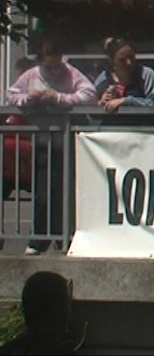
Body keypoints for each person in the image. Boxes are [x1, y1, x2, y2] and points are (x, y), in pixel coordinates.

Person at [7, 37, 97, 255]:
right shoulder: (31, 76)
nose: (55, 72)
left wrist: (59, 98)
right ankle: (39, 238)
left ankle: (63, 237)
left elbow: (90, 95)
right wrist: (28, 99)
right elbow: (11, 95)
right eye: (50, 67)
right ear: (40, 62)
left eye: (58, 66)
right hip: (41, 142)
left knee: (64, 192)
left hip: (65, 141)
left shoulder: (71, 73)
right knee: (42, 193)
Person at [0, 271, 76, 355]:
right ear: (57, 309)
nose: (69, 312)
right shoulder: (62, 352)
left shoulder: (9, 350)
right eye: (66, 304)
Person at [93, 37, 154, 126]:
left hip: (142, 132)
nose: (129, 62)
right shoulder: (102, 79)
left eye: (131, 57)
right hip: (111, 134)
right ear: (112, 60)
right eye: (122, 60)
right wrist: (101, 103)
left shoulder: (146, 75)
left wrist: (127, 101)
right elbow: (92, 115)